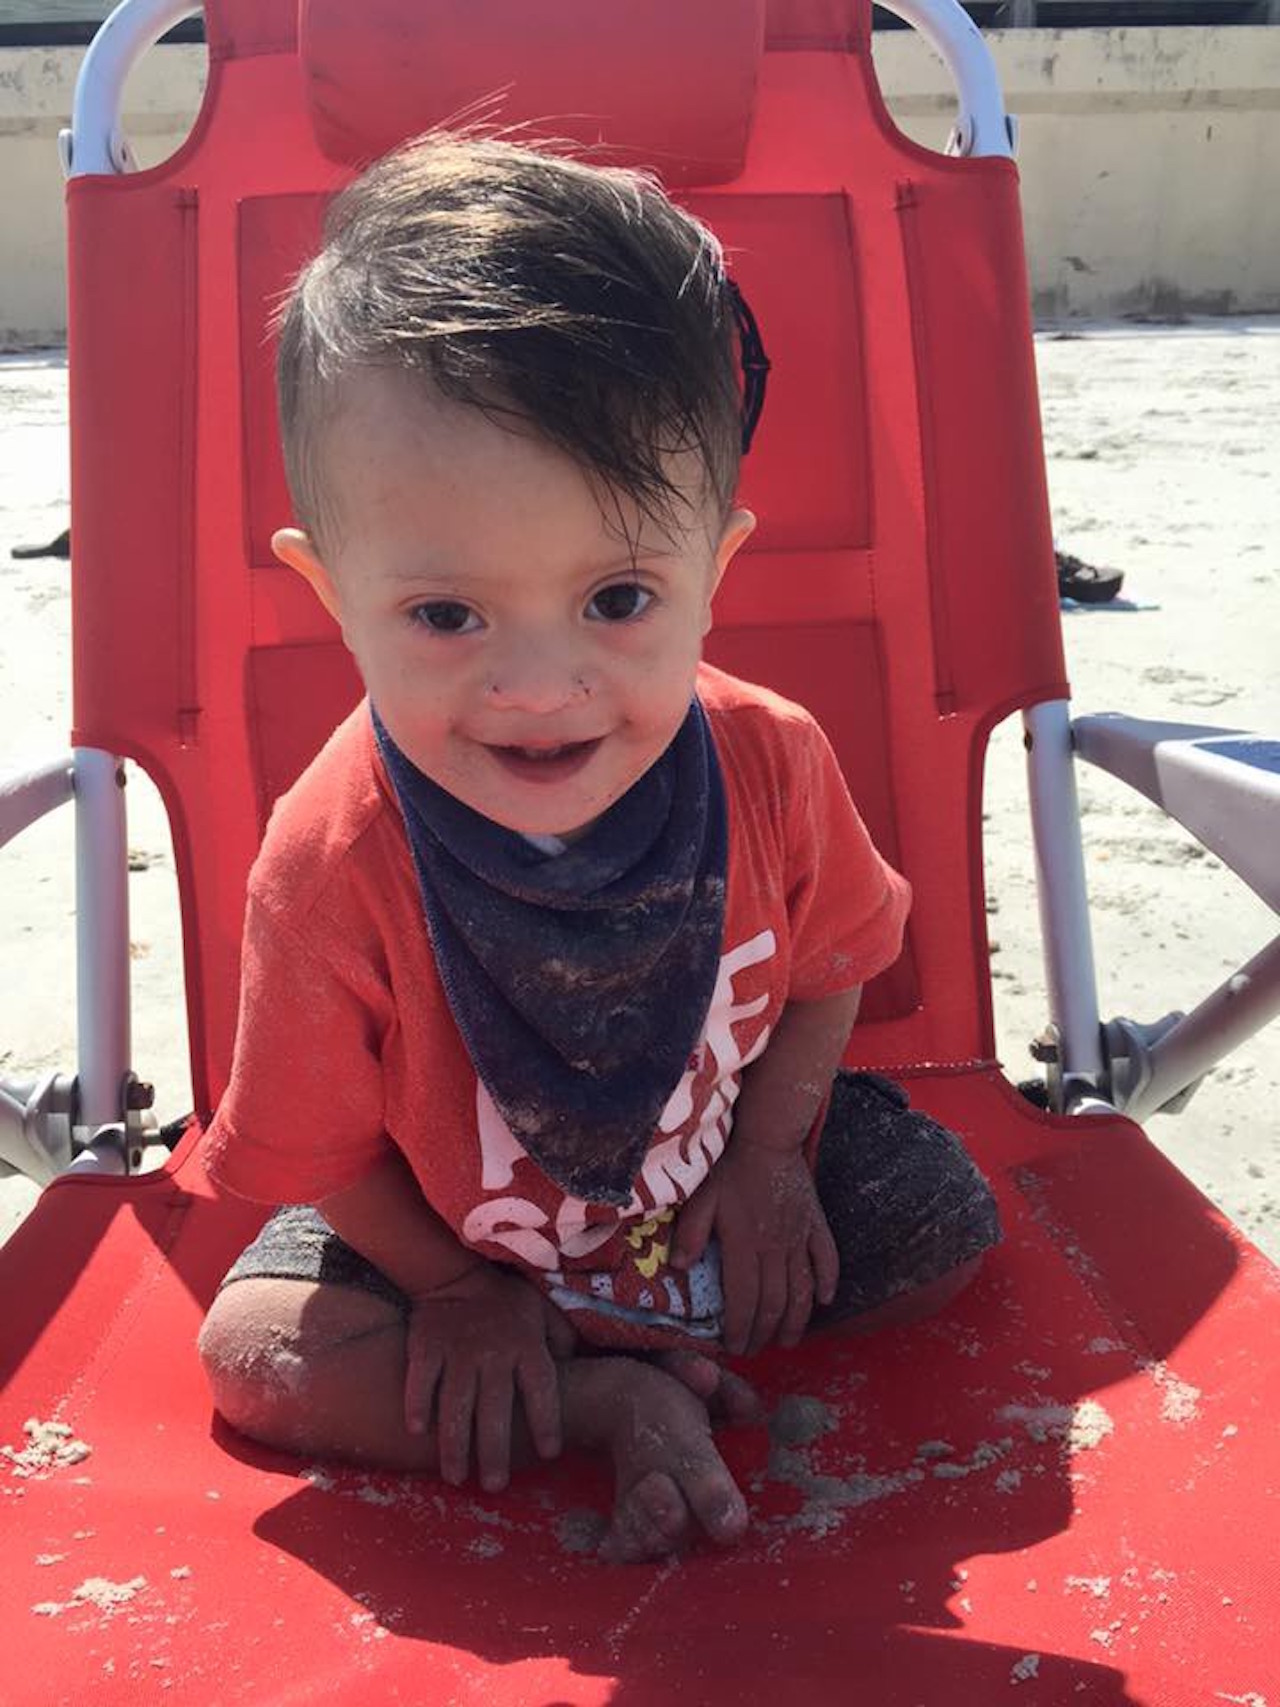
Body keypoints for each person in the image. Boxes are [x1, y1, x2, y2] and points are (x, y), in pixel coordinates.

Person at [197, 133, 1000, 1565]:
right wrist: (455, 1290)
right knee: (255, 1353)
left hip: (702, 1194)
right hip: (441, 1231)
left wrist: (765, 1163)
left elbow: (832, 968)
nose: (538, 685)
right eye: (447, 616)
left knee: (939, 1217)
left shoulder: (765, 756)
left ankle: (614, 1331)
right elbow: (319, 1151)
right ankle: (599, 1395)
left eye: (619, 596)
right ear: (333, 596)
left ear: (717, 569)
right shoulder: (329, 860)